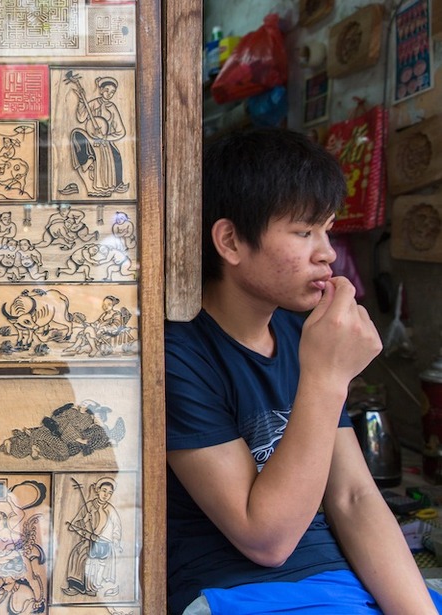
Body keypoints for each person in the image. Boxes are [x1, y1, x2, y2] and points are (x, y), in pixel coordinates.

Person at [165, 126, 442, 614]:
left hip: (340, 582)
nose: (327, 252)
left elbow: (355, 497)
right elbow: (265, 541)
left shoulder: (300, 336)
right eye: (303, 231)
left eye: (327, 229)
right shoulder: (180, 352)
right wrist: (328, 377)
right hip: (234, 592)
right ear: (230, 241)